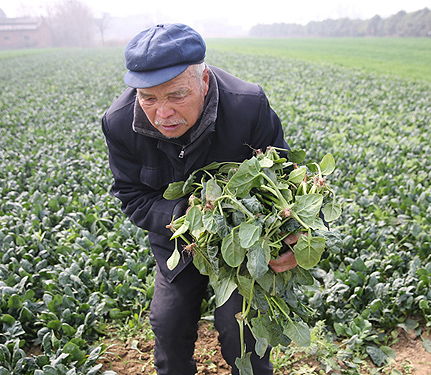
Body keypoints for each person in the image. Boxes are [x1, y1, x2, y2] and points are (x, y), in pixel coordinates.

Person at [101, 23, 298, 375]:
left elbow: (287, 183)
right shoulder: (118, 123)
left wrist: (294, 234)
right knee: (169, 326)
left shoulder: (247, 105)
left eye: (177, 95)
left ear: (203, 81)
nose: (163, 114)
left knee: (242, 334)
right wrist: (184, 213)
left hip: (244, 245)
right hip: (177, 240)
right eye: (148, 98)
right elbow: (131, 195)